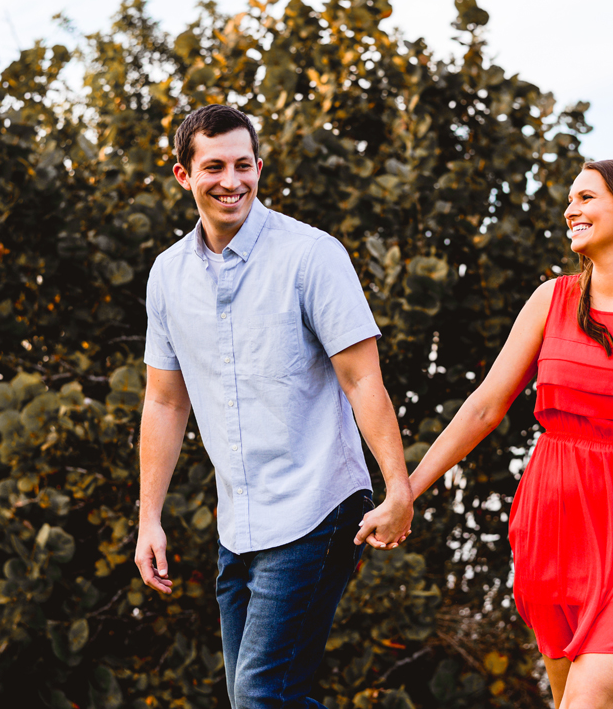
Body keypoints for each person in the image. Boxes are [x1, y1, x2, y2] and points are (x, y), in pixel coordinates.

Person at [407, 160, 613, 709]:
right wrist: (407, 489)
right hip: (553, 529)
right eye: (571, 199)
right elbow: (484, 408)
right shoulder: (553, 299)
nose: (571, 210)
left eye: (586, 198)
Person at [135, 105, 413, 709]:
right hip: (239, 520)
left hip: (318, 504)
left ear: (260, 168)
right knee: (257, 701)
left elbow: (364, 379)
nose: (232, 181)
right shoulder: (167, 277)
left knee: (262, 697)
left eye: (244, 165)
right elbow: (163, 401)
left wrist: (397, 488)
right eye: (214, 167)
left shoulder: (311, 256)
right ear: (184, 175)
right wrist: (148, 517)